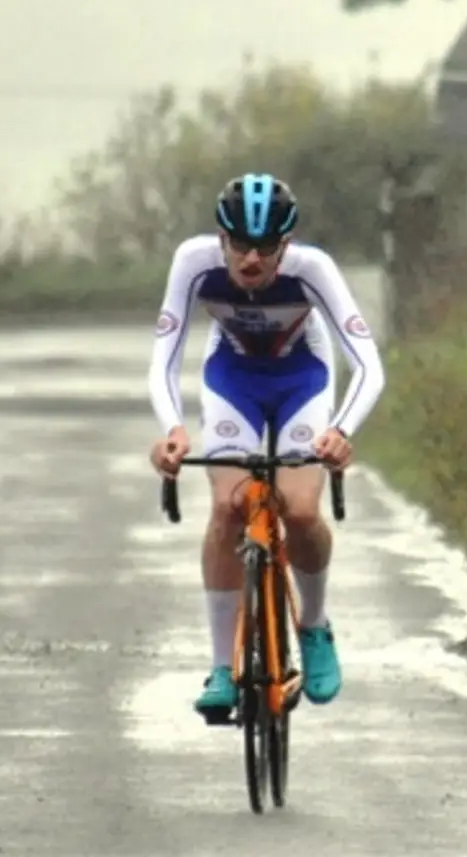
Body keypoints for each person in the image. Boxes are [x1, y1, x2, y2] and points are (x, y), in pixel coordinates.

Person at [146, 172, 387, 722]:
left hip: (302, 377)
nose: (250, 262)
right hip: (233, 378)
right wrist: (173, 430)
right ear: (220, 238)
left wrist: (340, 432)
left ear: (288, 244)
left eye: (266, 249)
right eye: (239, 247)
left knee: (300, 509)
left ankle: (315, 627)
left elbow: (368, 365)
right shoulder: (194, 262)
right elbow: (163, 354)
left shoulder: (313, 270)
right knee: (230, 509)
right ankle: (222, 668)